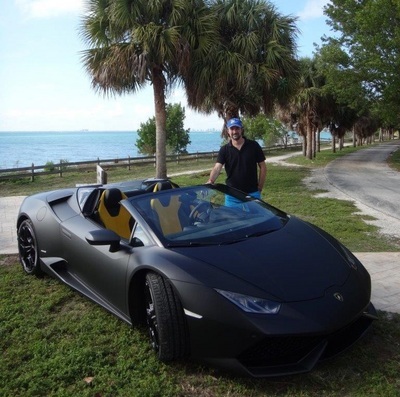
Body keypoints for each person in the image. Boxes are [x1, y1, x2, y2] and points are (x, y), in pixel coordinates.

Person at [207, 117, 267, 200]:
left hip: (253, 194)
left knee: (255, 214)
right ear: (228, 131)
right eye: (232, 129)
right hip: (232, 196)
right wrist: (211, 180)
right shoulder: (224, 150)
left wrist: (260, 187)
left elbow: (263, 167)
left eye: (237, 128)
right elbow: (217, 167)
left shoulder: (254, 146)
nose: (235, 131)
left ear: (241, 129)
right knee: (232, 214)